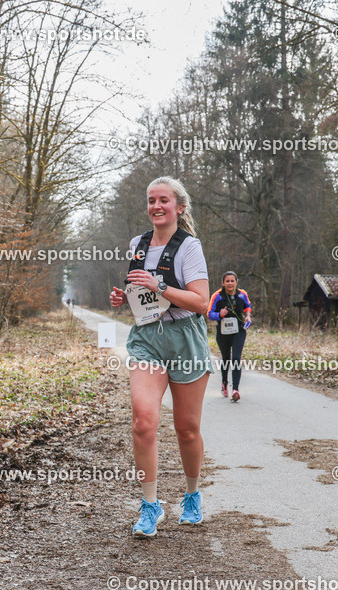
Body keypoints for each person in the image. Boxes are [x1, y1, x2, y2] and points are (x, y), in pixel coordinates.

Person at [109, 176, 212, 537]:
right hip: (148, 338)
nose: (156, 206)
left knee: (186, 428)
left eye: (164, 200)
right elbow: (143, 296)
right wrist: (126, 298)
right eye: (151, 200)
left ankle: (192, 495)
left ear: (179, 207)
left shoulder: (190, 247)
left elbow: (202, 303)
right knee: (143, 421)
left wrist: (160, 285)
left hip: (185, 338)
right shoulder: (137, 243)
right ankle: (150, 506)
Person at [207, 272, 252, 401]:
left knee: (236, 358)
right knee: (226, 358)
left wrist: (248, 315)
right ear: (223, 283)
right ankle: (224, 382)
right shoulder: (217, 296)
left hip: (239, 330)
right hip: (223, 332)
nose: (230, 283)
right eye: (227, 281)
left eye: (232, 281)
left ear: (236, 282)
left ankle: (236, 389)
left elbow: (248, 306)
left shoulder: (242, 294)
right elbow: (209, 313)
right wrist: (219, 314)